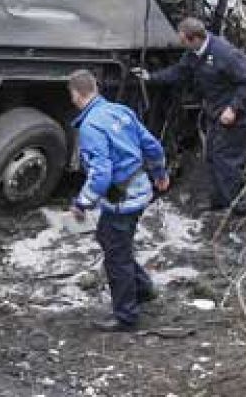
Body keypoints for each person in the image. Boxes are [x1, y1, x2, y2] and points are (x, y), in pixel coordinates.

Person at [67, 69, 170, 332]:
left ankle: (126, 316)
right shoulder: (121, 111)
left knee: (116, 257)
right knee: (112, 241)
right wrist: (160, 174)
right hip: (141, 191)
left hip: (121, 201)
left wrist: (81, 204)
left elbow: (101, 175)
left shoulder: (90, 127)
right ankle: (143, 288)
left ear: (76, 95)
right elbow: (152, 146)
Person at [134, 17, 246, 213]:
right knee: (212, 157)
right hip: (215, 114)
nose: (181, 44)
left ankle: (237, 209)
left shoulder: (224, 53)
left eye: (183, 40)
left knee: (228, 161)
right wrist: (151, 77)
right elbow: (179, 72)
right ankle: (219, 203)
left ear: (195, 39)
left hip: (234, 117)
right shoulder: (193, 54)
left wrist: (233, 108)